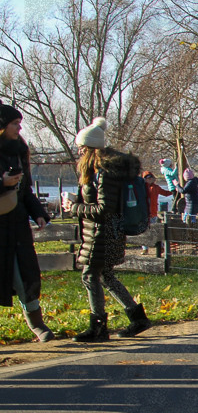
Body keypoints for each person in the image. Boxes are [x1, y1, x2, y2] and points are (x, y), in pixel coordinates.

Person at [62, 117, 151, 341]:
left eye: (82, 148)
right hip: (102, 232)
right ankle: (137, 319)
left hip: (103, 233)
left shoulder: (104, 172)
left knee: (90, 276)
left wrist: (73, 207)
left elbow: (104, 208)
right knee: (105, 276)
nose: (79, 152)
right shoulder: (100, 171)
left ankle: (99, 327)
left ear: (90, 149)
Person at [0, 104, 54, 342]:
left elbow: (26, 190)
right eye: (14, 123)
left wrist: (38, 213)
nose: (19, 128)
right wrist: (2, 183)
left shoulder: (20, 151)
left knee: (26, 276)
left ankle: (37, 324)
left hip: (18, 225)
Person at [140, 170, 172, 255]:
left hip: (153, 213)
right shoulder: (141, 188)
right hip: (144, 213)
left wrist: (174, 190)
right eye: (147, 178)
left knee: (155, 231)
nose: (149, 179)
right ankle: (145, 248)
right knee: (144, 231)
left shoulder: (156, 187)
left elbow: (165, 193)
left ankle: (160, 247)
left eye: (151, 177)